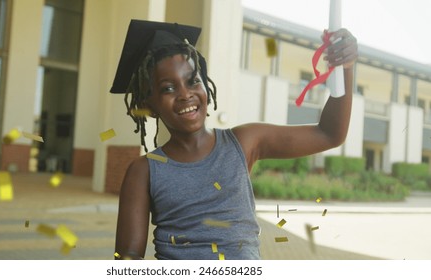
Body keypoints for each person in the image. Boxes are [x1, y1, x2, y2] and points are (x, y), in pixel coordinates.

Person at [111, 19, 358, 260]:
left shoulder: (243, 142)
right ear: (148, 105)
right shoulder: (144, 171)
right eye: (168, 88)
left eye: (193, 81)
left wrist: (346, 69)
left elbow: (330, 133)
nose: (185, 94)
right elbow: (128, 258)